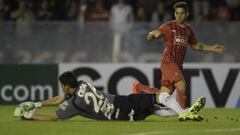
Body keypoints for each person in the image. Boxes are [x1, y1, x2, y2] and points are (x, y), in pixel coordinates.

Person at [132, 1, 225, 108]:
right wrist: (151, 35)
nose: (179, 15)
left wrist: (211, 48)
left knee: (163, 96)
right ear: (174, 13)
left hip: (177, 65)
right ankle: (183, 113)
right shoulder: (168, 26)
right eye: (177, 13)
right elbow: (154, 34)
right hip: (168, 62)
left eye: (182, 13)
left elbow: (195, 46)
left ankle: (139, 87)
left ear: (187, 14)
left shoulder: (188, 30)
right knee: (181, 85)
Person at [14, 71, 206, 121]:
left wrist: (30, 114)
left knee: (157, 110)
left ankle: (186, 112)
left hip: (124, 117)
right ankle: (184, 112)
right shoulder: (83, 84)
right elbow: (59, 99)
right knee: (160, 97)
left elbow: (53, 116)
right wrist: (36, 104)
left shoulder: (74, 105)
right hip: (123, 103)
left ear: (65, 87)